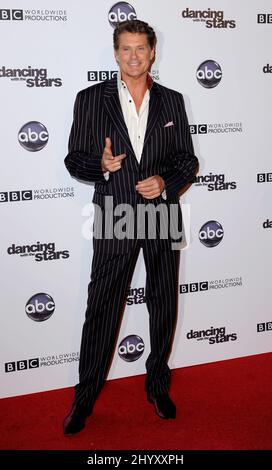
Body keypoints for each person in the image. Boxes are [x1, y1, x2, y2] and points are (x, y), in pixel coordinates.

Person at [63, 19, 198, 435]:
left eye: (141, 48)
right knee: (102, 307)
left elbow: (187, 162)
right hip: (115, 211)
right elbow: (73, 159)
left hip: (160, 212)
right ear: (115, 53)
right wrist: (100, 167)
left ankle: (158, 385)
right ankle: (84, 398)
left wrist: (166, 183)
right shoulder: (90, 99)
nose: (134, 56)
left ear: (153, 52)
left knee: (162, 301)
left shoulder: (173, 100)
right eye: (126, 49)